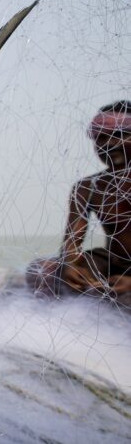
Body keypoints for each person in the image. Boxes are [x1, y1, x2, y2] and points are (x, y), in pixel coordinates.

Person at [26, 101, 131, 302]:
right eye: (100, 138)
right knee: (42, 270)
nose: (108, 144)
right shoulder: (87, 187)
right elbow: (72, 243)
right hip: (111, 262)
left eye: (118, 135)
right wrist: (71, 266)